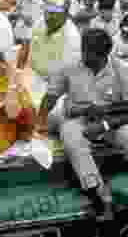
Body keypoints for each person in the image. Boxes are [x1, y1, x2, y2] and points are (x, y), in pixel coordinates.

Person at [40, 28, 125, 221]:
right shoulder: (69, 66)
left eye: (90, 53)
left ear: (104, 55)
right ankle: (102, 197)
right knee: (72, 139)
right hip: (77, 119)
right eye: (83, 49)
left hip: (113, 122)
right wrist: (38, 122)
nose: (84, 55)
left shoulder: (121, 70)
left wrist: (104, 126)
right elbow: (51, 96)